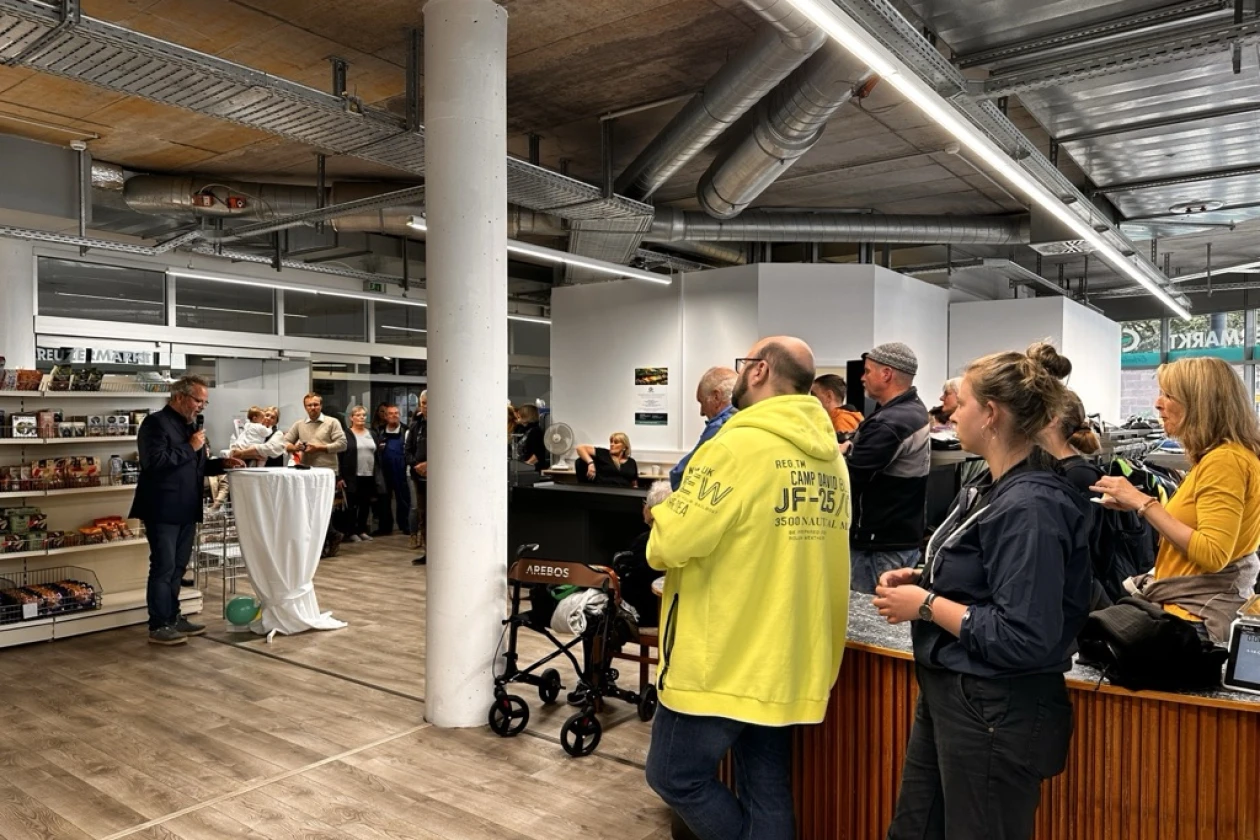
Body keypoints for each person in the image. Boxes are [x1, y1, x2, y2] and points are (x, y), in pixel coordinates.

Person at [874, 342, 1091, 840]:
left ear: (991, 414)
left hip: (996, 706)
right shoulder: (995, 488)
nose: (952, 412)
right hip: (957, 695)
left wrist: (927, 605)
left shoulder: (1031, 507)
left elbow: (1024, 633)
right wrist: (925, 579)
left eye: (963, 403)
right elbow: (987, 580)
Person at [645, 336, 851, 840]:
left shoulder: (733, 447)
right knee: (766, 787)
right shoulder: (832, 460)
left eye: (742, 365)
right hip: (791, 657)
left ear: (758, 371)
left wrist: (661, 513)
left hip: (724, 658)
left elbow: (669, 544)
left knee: (674, 775)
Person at [1093, 356, 1260, 642]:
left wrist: (1144, 504)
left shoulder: (1225, 462)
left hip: (1195, 621)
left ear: (1201, 404)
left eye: (1169, 395)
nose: (1158, 403)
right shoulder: (1225, 456)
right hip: (1187, 613)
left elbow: (1213, 553)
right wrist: (1137, 502)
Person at [131, 375, 245, 645]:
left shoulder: (190, 426)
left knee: (179, 568)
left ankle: (173, 616)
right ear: (179, 396)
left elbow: (196, 467)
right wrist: (190, 447)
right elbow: (154, 462)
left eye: (204, 402)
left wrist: (222, 464)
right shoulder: (155, 423)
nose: (200, 407)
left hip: (187, 508)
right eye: (198, 400)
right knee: (163, 566)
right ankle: (158, 625)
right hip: (162, 508)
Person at [848, 342, 931, 593]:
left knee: (870, 626)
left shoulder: (891, 422)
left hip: (878, 543)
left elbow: (852, 476)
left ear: (886, 374)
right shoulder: (912, 410)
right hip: (899, 536)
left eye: (868, 371)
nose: (862, 378)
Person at [1039, 388, 1114, 607]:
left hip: (1075, 597)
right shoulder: (1066, 469)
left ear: (1052, 421)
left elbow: (1076, 547)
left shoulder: (1077, 475)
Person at [284, 393, 348, 557]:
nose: (313, 408)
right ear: (305, 407)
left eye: (315, 404)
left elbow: (342, 444)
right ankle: (329, 537)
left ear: (321, 405)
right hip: (306, 472)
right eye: (309, 405)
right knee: (311, 510)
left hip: (326, 472)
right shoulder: (299, 424)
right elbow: (285, 442)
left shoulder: (332, 422)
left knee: (323, 509)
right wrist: (294, 447)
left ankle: (329, 539)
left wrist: (319, 448)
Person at [669, 366, 737, 491]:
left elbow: (681, 475)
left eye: (702, 402)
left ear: (716, 397)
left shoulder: (720, 427)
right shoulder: (749, 417)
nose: (701, 412)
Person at [339, 405, 379, 543]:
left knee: (365, 504)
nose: (361, 417)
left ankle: (361, 530)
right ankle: (350, 531)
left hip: (369, 473)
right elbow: (340, 456)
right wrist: (340, 476)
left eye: (364, 415)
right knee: (351, 504)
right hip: (352, 475)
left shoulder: (372, 433)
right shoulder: (346, 434)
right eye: (358, 415)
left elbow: (377, 452)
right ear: (351, 418)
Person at [372, 405, 411, 537]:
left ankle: (405, 525)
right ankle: (385, 527)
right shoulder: (379, 431)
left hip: (401, 469)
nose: (394, 416)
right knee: (383, 499)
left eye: (396, 413)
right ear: (386, 416)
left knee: (403, 498)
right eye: (391, 413)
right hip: (384, 470)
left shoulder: (406, 430)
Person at [404, 391, 429, 565]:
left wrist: (429, 464)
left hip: (438, 478)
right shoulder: (416, 425)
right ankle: (428, 551)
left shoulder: (443, 425)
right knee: (423, 515)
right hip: (418, 477)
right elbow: (407, 449)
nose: (425, 407)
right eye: (423, 403)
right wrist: (416, 465)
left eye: (428, 403)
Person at [811, 373, 863, 438]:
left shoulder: (842, 421)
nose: (811, 399)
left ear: (829, 396)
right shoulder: (834, 419)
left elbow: (844, 447)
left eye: (814, 395)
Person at [515, 404, 547, 469]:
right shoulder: (523, 430)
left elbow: (538, 453)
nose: (518, 417)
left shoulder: (535, 431)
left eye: (520, 416)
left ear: (526, 416)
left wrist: (525, 466)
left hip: (531, 469)